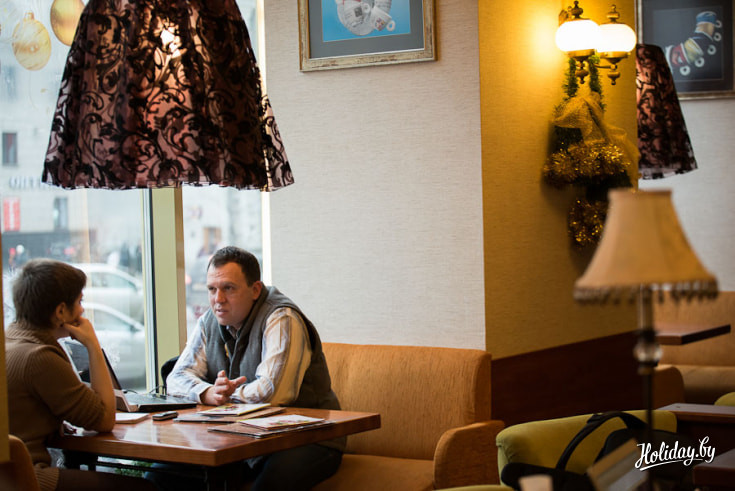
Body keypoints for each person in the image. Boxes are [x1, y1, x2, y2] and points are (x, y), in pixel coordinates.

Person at [161, 246, 343, 490]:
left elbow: (273, 393)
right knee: (161, 475)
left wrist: (224, 396)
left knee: (270, 484)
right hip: (245, 440)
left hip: (308, 439)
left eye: (228, 288)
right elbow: (176, 377)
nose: (218, 299)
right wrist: (207, 392)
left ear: (255, 289)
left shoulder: (282, 317)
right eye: (212, 289)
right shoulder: (209, 320)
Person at [4, 259, 158, 491]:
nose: (83, 310)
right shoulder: (39, 357)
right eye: (79, 301)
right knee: (144, 489)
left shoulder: (9, 342)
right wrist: (93, 345)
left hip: (7, 477)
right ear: (60, 311)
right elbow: (104, 419)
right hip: (29, 479)